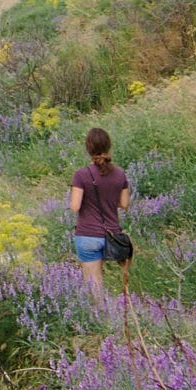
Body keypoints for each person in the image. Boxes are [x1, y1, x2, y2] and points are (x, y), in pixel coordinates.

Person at [69, 125, 131, 303]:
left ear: (88, 149)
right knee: (117, 279)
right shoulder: (120, 174)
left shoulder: (81, 175)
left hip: (88, 235)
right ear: (108, 146)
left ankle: (100, 318)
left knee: (94, 283)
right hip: (112, 235)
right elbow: (125, 204)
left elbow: (75, 206)